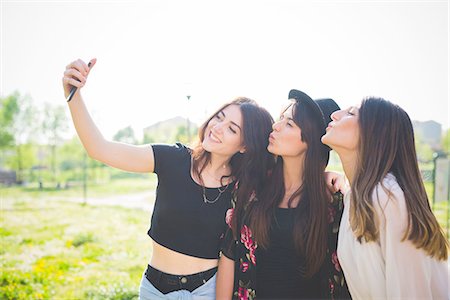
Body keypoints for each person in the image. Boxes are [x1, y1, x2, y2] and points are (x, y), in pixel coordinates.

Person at [62, 58, 276, 299]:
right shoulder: (172, 158)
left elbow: (291, 180)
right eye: (219, 117)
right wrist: (73, 97)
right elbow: (99, 149)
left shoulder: (242, 188)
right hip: (154, 290)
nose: (217, 127)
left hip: (205, 291)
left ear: (245, 146)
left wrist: (325, 177)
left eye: (232, 129)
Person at [216, 89, 350, 299]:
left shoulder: (333, 201)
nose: (276, 127)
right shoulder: (252, 190)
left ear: (310, 141)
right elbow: (229, 253)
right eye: (280, 119)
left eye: (288, 124)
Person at [321, 96, 450, 299]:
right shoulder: (355, 197)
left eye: (351, 113)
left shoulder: (387, 196)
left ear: (374, 134)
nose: (335, 114)